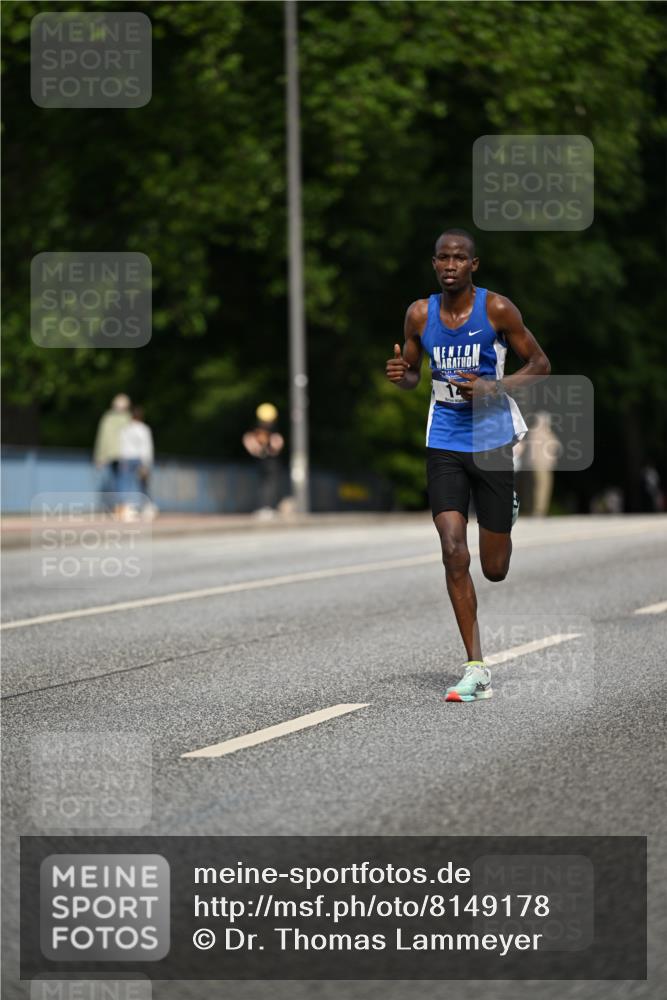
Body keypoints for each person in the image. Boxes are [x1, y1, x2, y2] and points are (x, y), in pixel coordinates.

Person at [386, 228, 550, 702]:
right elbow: (414, 373)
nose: (451, 264)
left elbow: (540, 363)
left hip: (492, 440)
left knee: (494, 568)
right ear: (434, 263)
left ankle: (507, 509)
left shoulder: (497, 309)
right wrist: (402, 376)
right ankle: (476, 667)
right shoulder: (419, 314)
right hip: (444, 441)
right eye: (443, 258)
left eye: (460, 258)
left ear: (473, 265)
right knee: (454, 551)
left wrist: (493, 388)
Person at [242, 403, 285, 517]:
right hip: (268, 461)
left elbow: (277, 442)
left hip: (267, 461)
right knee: (268, 485)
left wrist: (258, 450)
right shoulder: (266, 429)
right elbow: (277, 443)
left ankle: (267, 507)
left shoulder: (259, 429)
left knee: (267, 484)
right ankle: (267, 507)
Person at [93, 394, 131, 511]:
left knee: (121, 480)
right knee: (116, 480)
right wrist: (99, 456)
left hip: (123, 454)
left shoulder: (126, 418)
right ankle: (119, 506)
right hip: (113, 455)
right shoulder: (109, 418)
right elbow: (103, 438)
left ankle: (121, 506)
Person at [118, 405, 155, 521]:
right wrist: (147, 463)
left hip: (127, 458)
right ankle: (147, 507)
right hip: (139, 458)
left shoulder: (125, 429)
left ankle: (127, 509)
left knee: (126, 484)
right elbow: (146, 446)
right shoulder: (144, 429)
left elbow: (122, 445)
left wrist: (122, 459)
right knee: (143, 484)